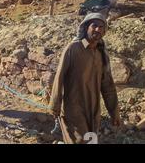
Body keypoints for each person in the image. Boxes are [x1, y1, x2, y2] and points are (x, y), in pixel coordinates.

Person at [49, 13, 121, 144]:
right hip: (73, 107)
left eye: (101, 27)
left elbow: (108, 85)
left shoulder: (101, 54)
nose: (98, 29)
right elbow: (59, 77)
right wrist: (55, 104)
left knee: (91, 140)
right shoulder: (74, 48)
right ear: (86, 27)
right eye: (94, 26)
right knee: (80, 140)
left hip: (93, 109)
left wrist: (114, 112)